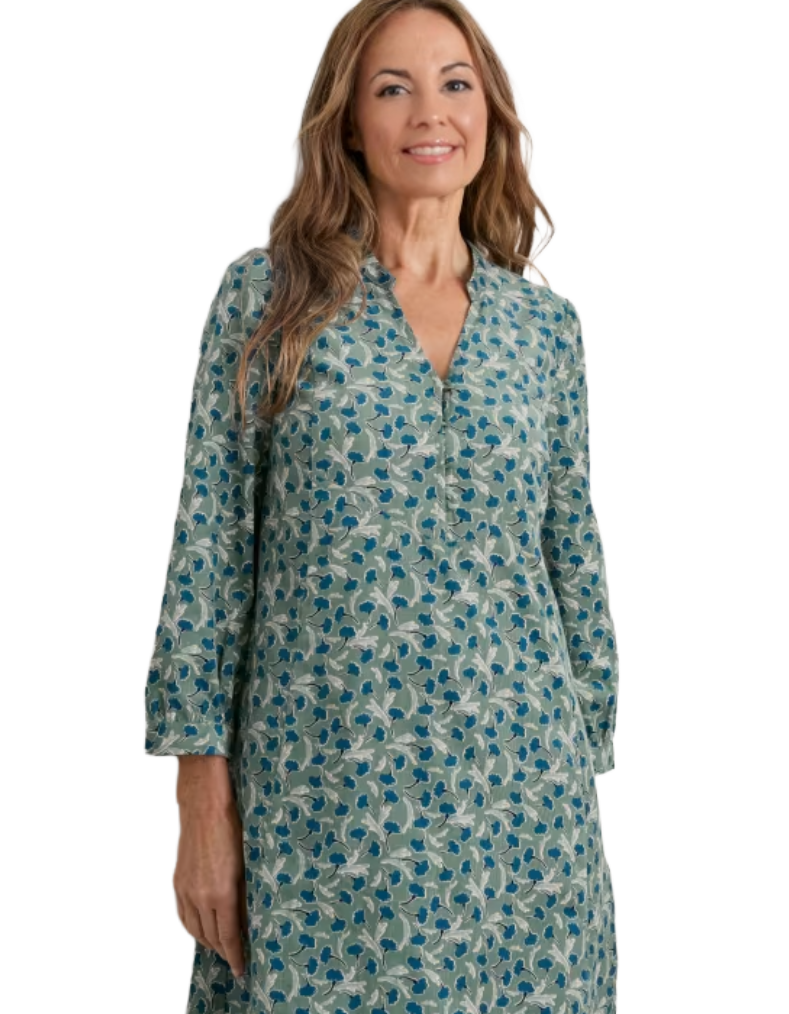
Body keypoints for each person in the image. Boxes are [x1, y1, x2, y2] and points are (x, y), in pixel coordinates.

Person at [144, 1, 620, 1011]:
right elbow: (209, 555)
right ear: (349, 122)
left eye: (455, 84)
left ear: (488, 112)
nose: (429, 112)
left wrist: (585, 743)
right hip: (321, 798)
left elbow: (571, 554)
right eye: (392, 88)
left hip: (521, 810)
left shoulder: (544, 330)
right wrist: (200, 799)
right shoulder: (272, 299)